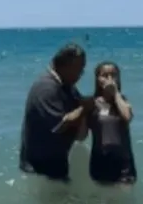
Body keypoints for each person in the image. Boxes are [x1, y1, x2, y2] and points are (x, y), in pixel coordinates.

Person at [19, 43, 92, 182]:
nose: (81, 74)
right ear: (64, 65)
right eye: (79, 69)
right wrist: (84, 109)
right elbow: (60, 125)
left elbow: (80, 107)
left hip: (57, 166)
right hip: (40, 171)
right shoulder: (46, 88)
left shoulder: (67, 85)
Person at [83, 61, 137, 185]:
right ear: (97, 79)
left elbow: (127, 117)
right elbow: (81, 136)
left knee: (124, 201)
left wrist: (115, 93)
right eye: (105, 75)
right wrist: (83, 111)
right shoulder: (92, 104)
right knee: (103, 202)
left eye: (113, 75)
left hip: (123, 162)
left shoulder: (123, 101)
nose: (109, 79)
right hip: (100, 161)